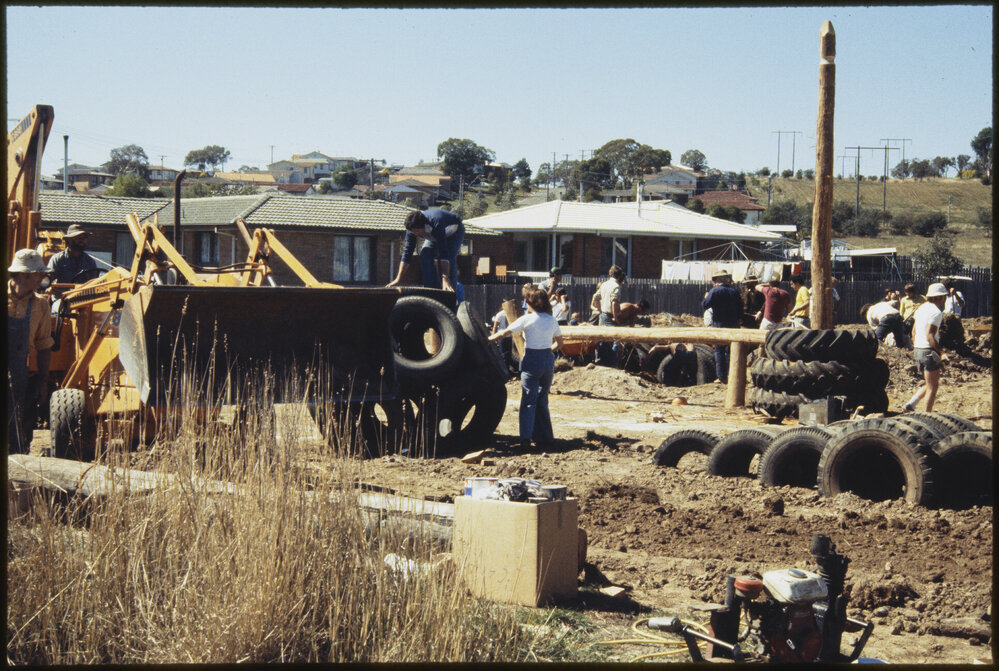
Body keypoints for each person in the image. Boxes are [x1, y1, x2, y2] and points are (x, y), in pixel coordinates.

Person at [488, 288, 564, 450]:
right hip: (547, 360)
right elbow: (560, 343)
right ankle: (545, 437)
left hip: (531, 360)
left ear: (531, 303)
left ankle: (526, 438)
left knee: (529, 400)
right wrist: (547, 350)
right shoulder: (552, 320)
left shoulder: (527, 319)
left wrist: (487, 339)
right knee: (542, 400)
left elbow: (503, 333)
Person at [8, 249, 54, 455]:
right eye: (38, 273)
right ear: (23, 275)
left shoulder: (41, 305)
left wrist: (43, 381)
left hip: (20, 380)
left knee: (18, 440)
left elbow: (44, 346)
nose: (43, 277)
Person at [386, 208, 464, 292]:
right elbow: (407, 253)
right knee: (425, 256)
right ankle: (433, 291)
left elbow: (444, 253)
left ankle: (451, 292)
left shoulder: (436, 223)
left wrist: (445, 278)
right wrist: (398, 279)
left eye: (417, 231)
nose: (415, 234)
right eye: (413, 232)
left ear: (424, 226)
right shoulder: (411, 229)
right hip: (435, 235)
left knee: (449, 258)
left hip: (454, 231)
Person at [903, 283, 950, 413]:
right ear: (940, 297)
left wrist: (917, 346)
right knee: (933, 387)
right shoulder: (936, 312)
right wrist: (942, 353)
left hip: (918, 350)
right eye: (944, 296)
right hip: (928, 351)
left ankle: (910, 405)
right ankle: (927, 415)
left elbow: (913, 331)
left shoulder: (921, 308)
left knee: (929, 383)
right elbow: (930, 336)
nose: (945, 299)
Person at [701, 271, 742, 384]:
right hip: (733, 325)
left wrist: (706, 297)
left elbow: (705, 305)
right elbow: (740, 308)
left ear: (719, 280)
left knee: (719, 350)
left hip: (719, 324)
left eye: (715, 280)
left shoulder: (715, 291)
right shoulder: (735, 291)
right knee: (731, 350)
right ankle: (732, 375)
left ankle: (721, 377)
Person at [595, 265, 626, 366]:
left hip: (603, 315)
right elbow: (614, 302)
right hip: (610, 316)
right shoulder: (616, 286)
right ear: (619, 275)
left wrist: (600, 310)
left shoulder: (604, 284)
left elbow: (596, 298)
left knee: (602, 340)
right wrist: (615, 317)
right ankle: (612, 363)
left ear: (610, 274)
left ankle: (600, 361)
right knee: (616, 340)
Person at [491, 307, 514, 373]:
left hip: (508, 336)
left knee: (507, 354)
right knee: (504, 354)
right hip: (503, 337)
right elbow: (495, 327)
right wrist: (494, 337)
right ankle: (505, 371)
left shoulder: (510, 313)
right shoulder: (501, 314)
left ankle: (508, 369)